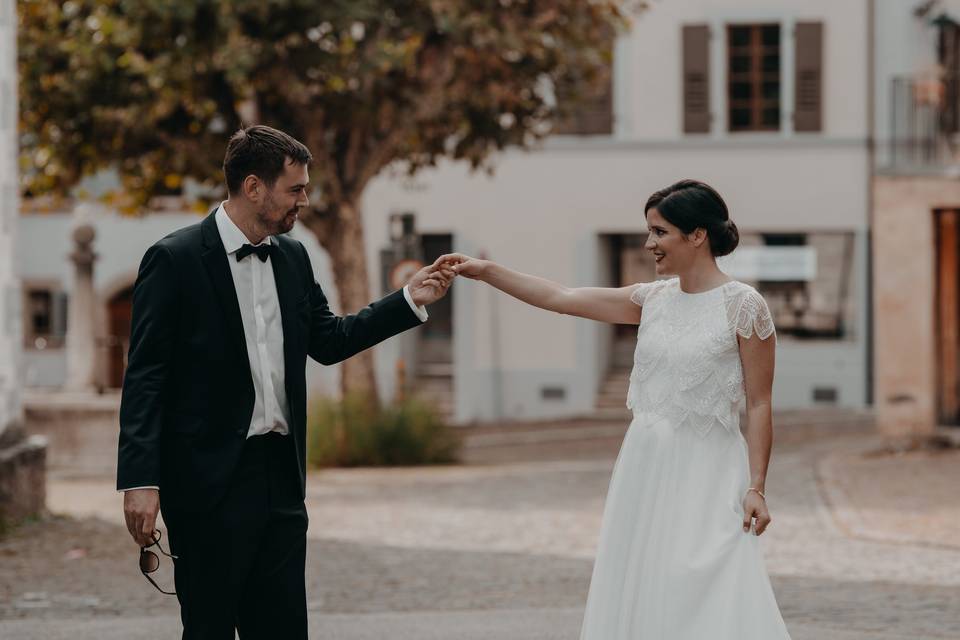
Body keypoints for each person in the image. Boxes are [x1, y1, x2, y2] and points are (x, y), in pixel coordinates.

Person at [117, 124, 454, 639]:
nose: (306, 199)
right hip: (207, 483)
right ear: (254, 187)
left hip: (281, 480)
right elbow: (146, 377)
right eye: (296, 188)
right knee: (207, 629)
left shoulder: (293, 258)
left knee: (282, 630)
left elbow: (330, 340)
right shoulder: (174, 259)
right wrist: (140, 480)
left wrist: (408, 300)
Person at [439, 179, 792, 639]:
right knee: (642, 579)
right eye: (650, 232)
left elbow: (761, 402)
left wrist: (757, 487)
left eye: (660, 232)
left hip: (708, 468)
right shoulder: (651, 300)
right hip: (645, 465)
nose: (650, 244)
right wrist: (485, 271)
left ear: (697, 235)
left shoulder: (744, 306)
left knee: (706, 578)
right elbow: (560, 298)